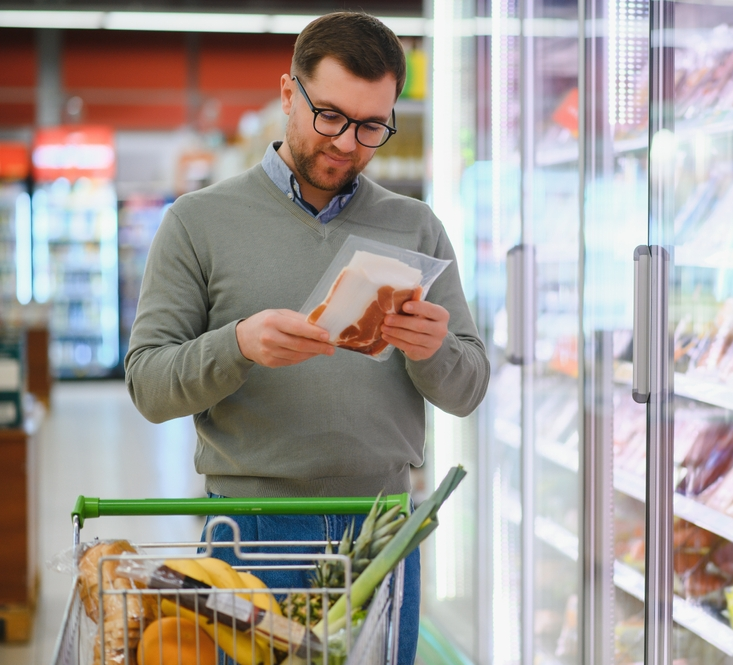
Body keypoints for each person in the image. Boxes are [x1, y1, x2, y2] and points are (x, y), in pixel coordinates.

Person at [124, 12, 490, 665]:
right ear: (289, 94)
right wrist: (237, 345)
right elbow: (149, 385)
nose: (348, 143)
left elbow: (468, 388)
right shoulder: (198, 222)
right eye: (331, 116)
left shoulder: (416, 227)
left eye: (372, 126)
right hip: (252, 534)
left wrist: (431, 349)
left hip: (381, 529)